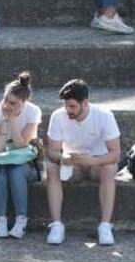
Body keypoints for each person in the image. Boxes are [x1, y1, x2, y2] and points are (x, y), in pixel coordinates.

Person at [44, 79, 121, 247]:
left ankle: (105, 225)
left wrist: (93, 160)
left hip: (97, 164)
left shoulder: (104, 116)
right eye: (66, 106)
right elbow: (51, 152)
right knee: (51, 167)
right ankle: (56, 225)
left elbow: (115, 154)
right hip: (72, 165)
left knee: (110, 167)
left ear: (85, 103)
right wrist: (62, 159)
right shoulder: (58, 116)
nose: (68, 110)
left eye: (72, 107)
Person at [0, 71, 42, 239]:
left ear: (23, 103)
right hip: (3, 155)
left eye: (13, 103)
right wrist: (4, 122)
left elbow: (21, 144)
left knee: (16, 171)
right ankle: (1, 221)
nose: (7, 105)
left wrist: (12, 120)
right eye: (5, 100)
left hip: (25, 158)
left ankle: (21, 221)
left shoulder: (33, 111)